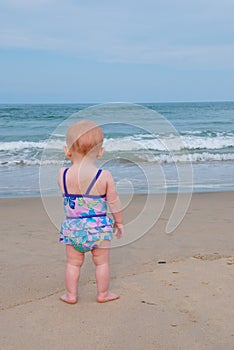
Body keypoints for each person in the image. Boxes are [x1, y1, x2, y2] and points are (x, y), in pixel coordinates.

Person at [58, 120, 123, 304]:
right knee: (102, 263)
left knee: (73, 263)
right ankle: (103, 294)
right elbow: (113, 201)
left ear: (67, 151)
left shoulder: (62, 174)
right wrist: (119, 222)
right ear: (100, 152)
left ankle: (71, 295)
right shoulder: (104, 176)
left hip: (73, 228)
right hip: (98, 228)